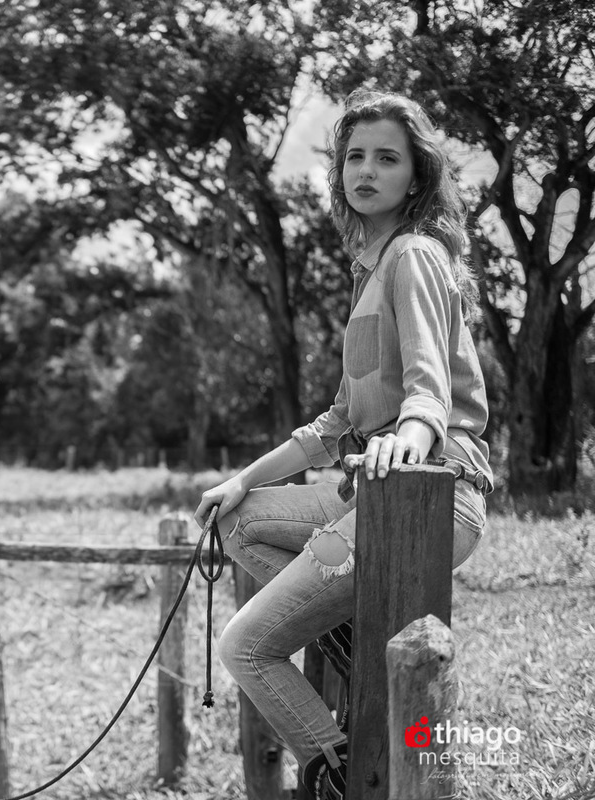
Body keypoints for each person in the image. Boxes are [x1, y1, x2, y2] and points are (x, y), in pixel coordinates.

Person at [193, 90, 493, 799]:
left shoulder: (414, 255)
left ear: (416, 178)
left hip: (431, 497)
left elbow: (428, 391)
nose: (366, 170)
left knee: (246, 646)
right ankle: (357, 639)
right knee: (238, 520)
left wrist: (408, 440)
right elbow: (333, 424)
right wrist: (242, 478)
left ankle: (336, 772)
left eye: (387, 158)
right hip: (369, 494)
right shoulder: (372, 269)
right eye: (355, 156)